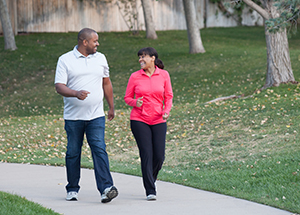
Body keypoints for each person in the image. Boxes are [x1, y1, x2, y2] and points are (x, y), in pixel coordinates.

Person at [54, 28, 118, 203]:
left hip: (96, 115)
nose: (97, 44)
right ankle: (72, 188)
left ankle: (106, 188)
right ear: (84, 42)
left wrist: (111, 106)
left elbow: (106, 83)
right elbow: (59, 86)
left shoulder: (101, 58)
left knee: (99, 149)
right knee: (73, 153)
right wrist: (75, 93)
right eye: (95, 41)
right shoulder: (65, 59)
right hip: (73, 117)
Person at [124, 47, 173, 201]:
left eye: (143, 57)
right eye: (139, 57)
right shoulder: (135, 77)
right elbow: (127, 98)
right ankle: (150, 189)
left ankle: (150, 178)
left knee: (159, 156)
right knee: (147, 153)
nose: (140, 60)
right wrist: (135, 102)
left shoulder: (163, 75)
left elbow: (169, 96)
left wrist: (167, 110)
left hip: (159, 119)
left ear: (153, 58)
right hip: (139, 119)